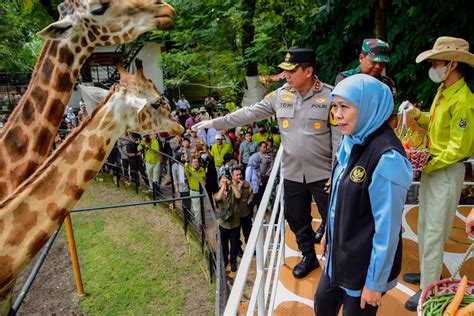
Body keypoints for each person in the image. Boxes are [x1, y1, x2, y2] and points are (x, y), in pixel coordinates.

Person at [194, 48, 342, 278]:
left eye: (292, 71)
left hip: (324, 174)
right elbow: (248, 114)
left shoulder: (331, 97)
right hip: (292, 172)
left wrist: (336, 171)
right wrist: (215, 124)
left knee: (335, 216)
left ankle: (336, 260)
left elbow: (339, 141)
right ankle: (308, 256)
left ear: (309, 71)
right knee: (295, 217)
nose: (286, 75)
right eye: (285, 71)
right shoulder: (279, 96)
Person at [315, 74, 412, 315]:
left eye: (345, 107)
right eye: (335, 106)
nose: (337, 114)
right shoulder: (351, 138)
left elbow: (387, 230)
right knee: (322, 303)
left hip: (364, 266)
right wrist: (329, 230)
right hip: (339, 252)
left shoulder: (387, 157)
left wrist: (375, 283)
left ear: (369, 107)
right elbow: (339, 194)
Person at [399, 36, 474, 311]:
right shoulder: (444, 91)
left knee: (434, 230)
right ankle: (429, 275)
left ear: (453, 63)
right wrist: (417, 114)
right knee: (424, 225)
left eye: (437, 62)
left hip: (445, 169)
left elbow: (459, 147)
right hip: (433, 167)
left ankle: (426, 290)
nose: (433, 66)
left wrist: (425, 163)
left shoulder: (464, 100)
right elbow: (435, 122)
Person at [335, 38, 398, 128]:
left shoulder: (387, 84)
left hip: (380, 137)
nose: (378, 67)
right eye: (374, 62)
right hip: (352, 134)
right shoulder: (345, 79)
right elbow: (342, 112)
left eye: (382, 63)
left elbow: (392, 117)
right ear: (361, 58)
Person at [214, 169, 242, 272]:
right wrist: (222, 186)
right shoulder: (217, 193)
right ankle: (225, 260)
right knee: (224, 245)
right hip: (224, 225)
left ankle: (233, 261)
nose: (224, 182)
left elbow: (238, 196)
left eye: (225, 180)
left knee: (234, 245)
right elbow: (217, 198)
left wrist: (232, 184)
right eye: (222, 181)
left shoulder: (233, 191)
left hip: (235, 224)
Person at [185, 157, 207, 225]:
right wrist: (187, 161)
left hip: (202, 191)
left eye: (196, 162)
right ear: (191, 164)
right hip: (194, 192)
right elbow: (185, 167)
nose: (195, 163)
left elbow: (204, 178)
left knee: (201, 208)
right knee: (197, 210)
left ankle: (202, 222)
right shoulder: (189, 171)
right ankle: (199, 225)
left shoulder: (202, 169)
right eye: (194, 162)